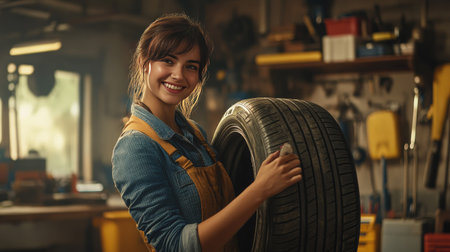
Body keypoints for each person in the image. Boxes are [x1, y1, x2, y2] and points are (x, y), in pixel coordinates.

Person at [112, 13, 302, 252]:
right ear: (144, 62)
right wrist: (260, 189)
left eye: (190, 66)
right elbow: (174, 246)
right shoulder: (135, 148)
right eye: (168, 61)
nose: (179, 75)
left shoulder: (196, 135)